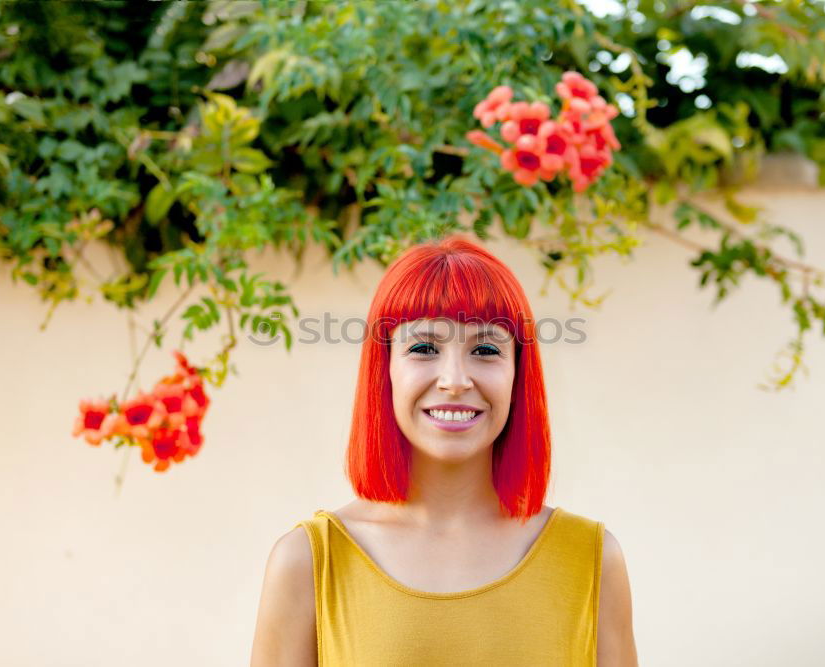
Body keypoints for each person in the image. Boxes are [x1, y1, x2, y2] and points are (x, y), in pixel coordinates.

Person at [250, 235, 638, 666]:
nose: (455, 379)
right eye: (423, 348)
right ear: (386, 370)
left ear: (518, 374)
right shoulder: (307, 563)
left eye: (486, 349)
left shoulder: (593, 561)